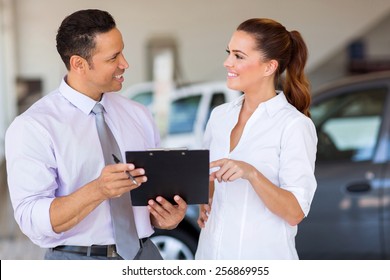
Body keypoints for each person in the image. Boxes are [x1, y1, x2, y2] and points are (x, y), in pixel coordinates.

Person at [5, 9, 187, 260]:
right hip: (76, 261)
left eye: (122, 51)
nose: (125, 64)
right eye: (113, 57)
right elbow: (31, 218)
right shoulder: (34, 127)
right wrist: (99, 190)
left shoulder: (138, 114)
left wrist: (165, 217)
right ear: (79, 64)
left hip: (145, 256)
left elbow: (153, 198)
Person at [195, 18, 317, 260]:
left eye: (239, 56)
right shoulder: (219, 117)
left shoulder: (294, 126)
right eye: (229, 53)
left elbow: (295, 212)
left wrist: (251, 173)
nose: (227, 62)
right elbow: (209, 173)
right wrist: (204, 196)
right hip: (210, 257)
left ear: (269, 67)